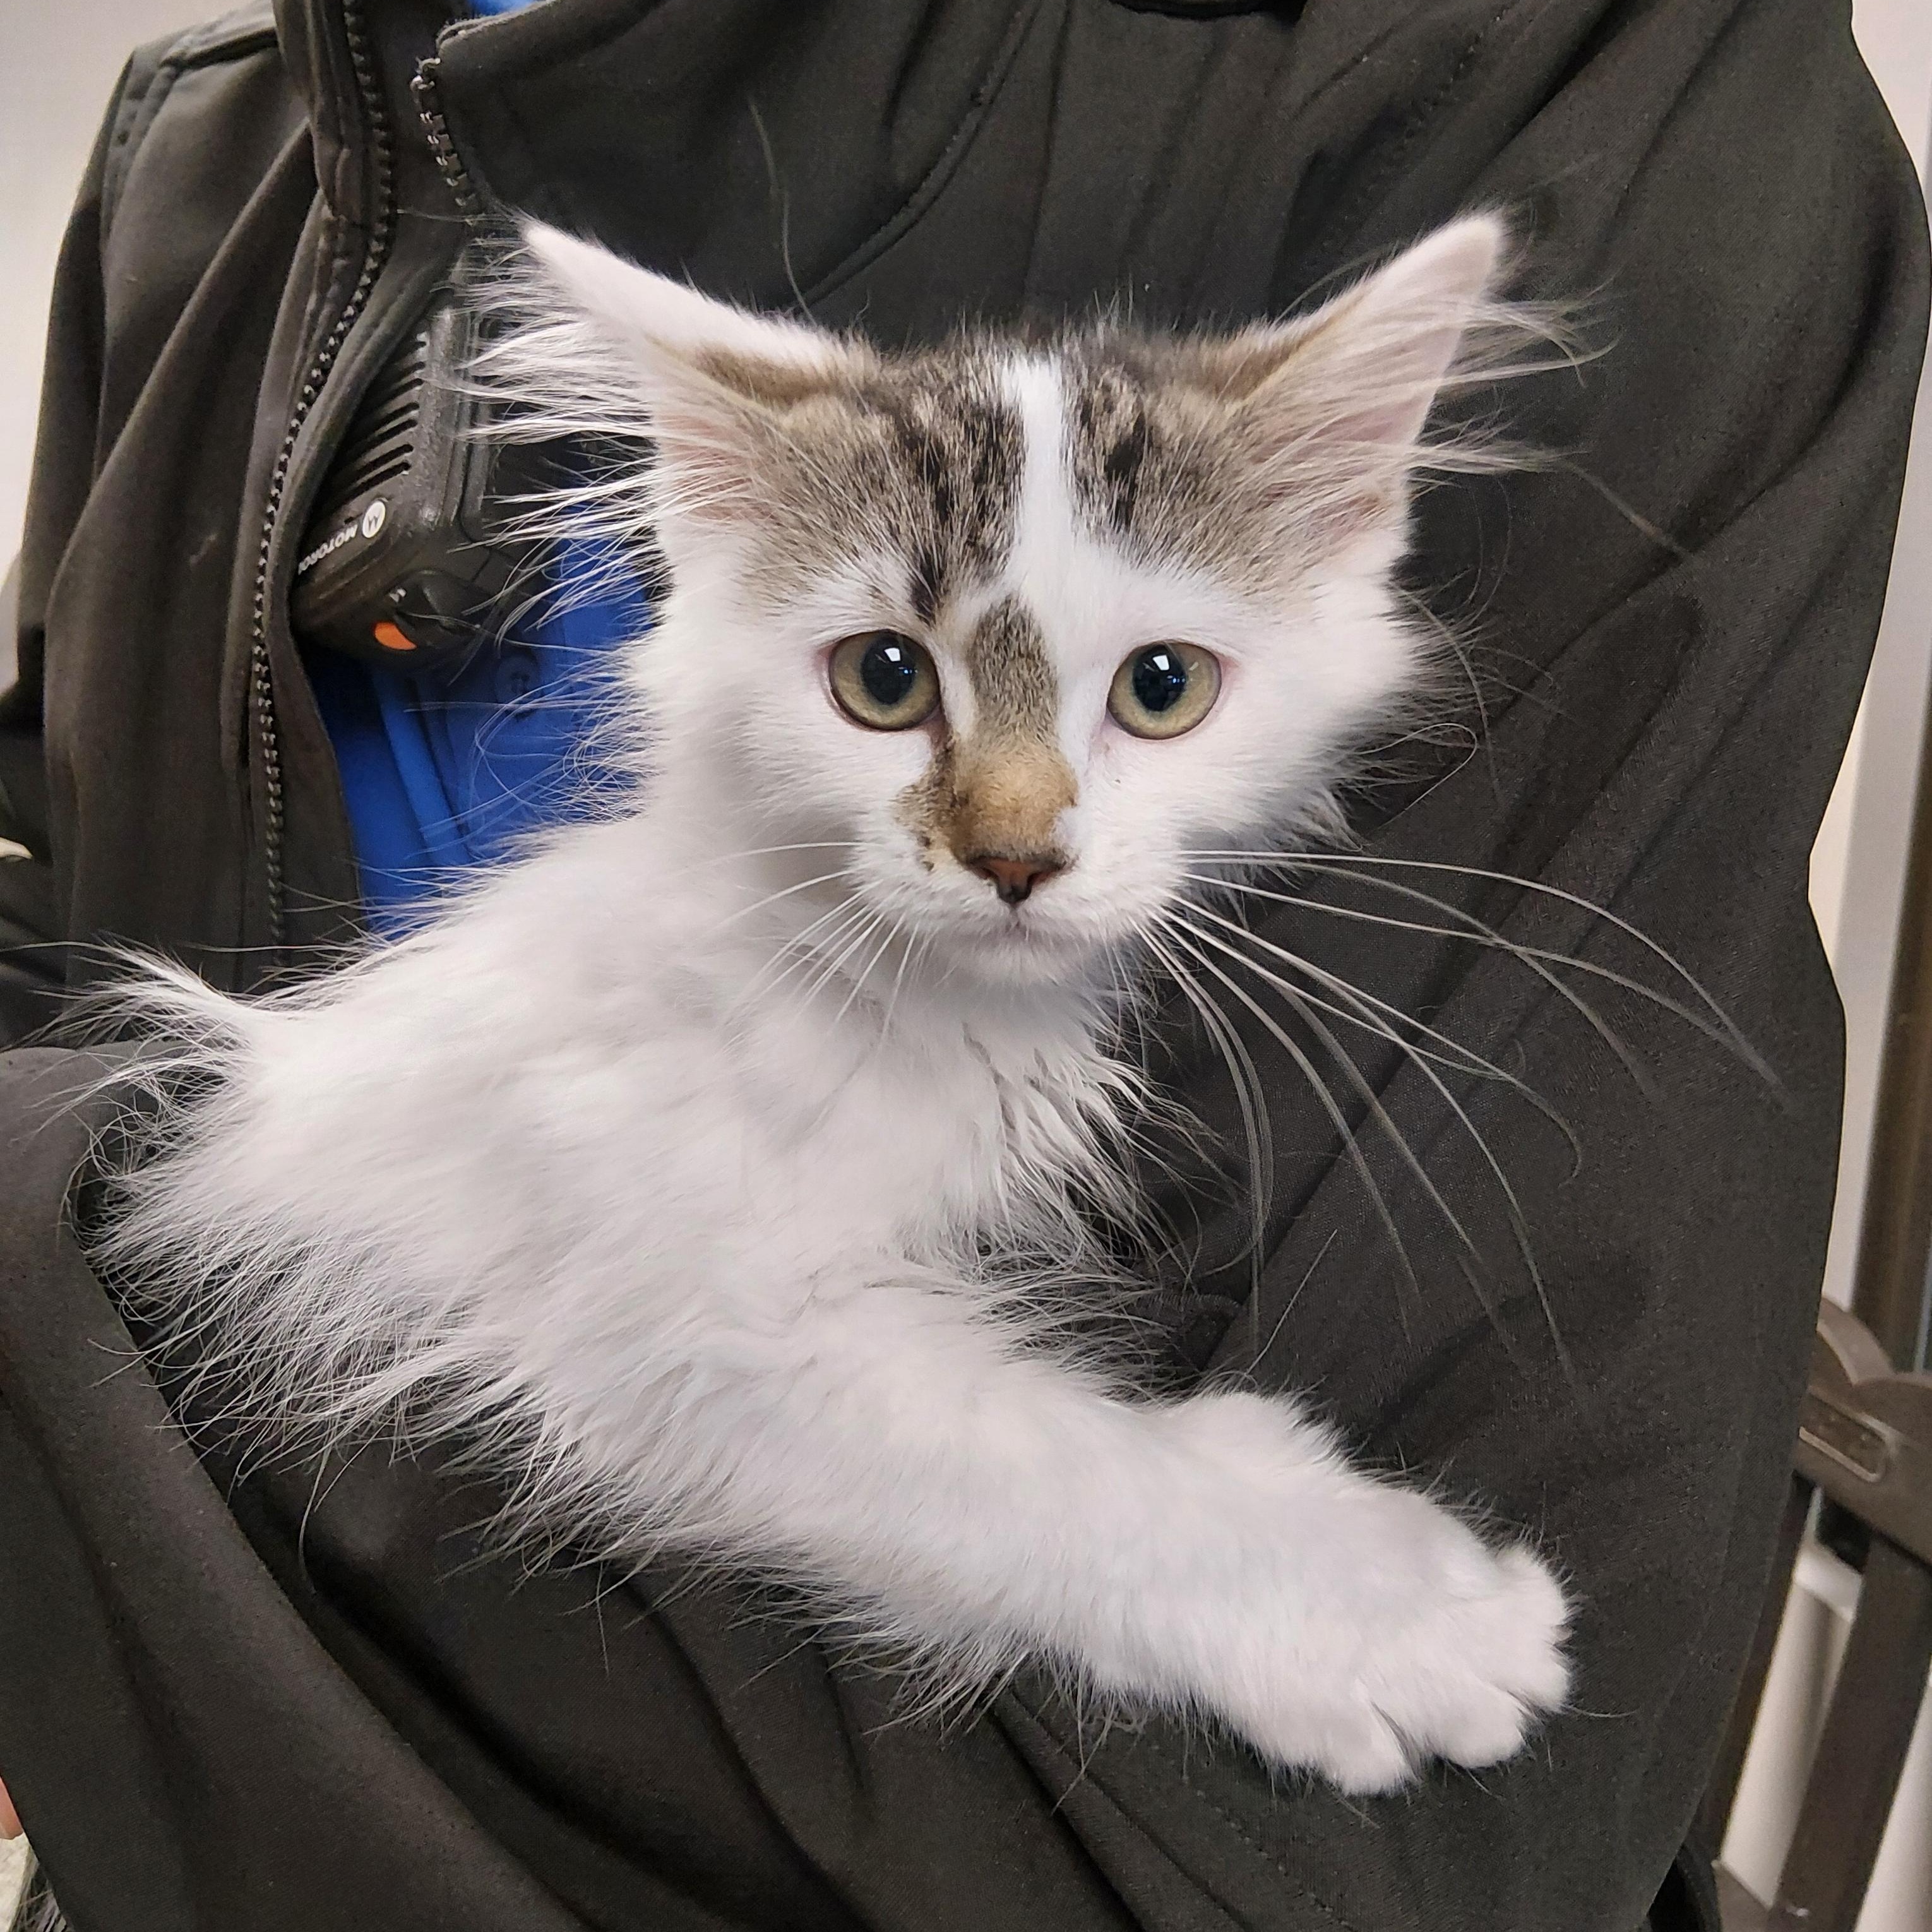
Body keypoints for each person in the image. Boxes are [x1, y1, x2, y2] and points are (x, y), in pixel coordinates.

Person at [0, 1, 1926, 1927]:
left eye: (1153, 686)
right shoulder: (213, 152)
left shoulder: (1594, 93)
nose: (1012, 829)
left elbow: (1383, 1861)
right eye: (884, 676)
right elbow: (721, 1371)